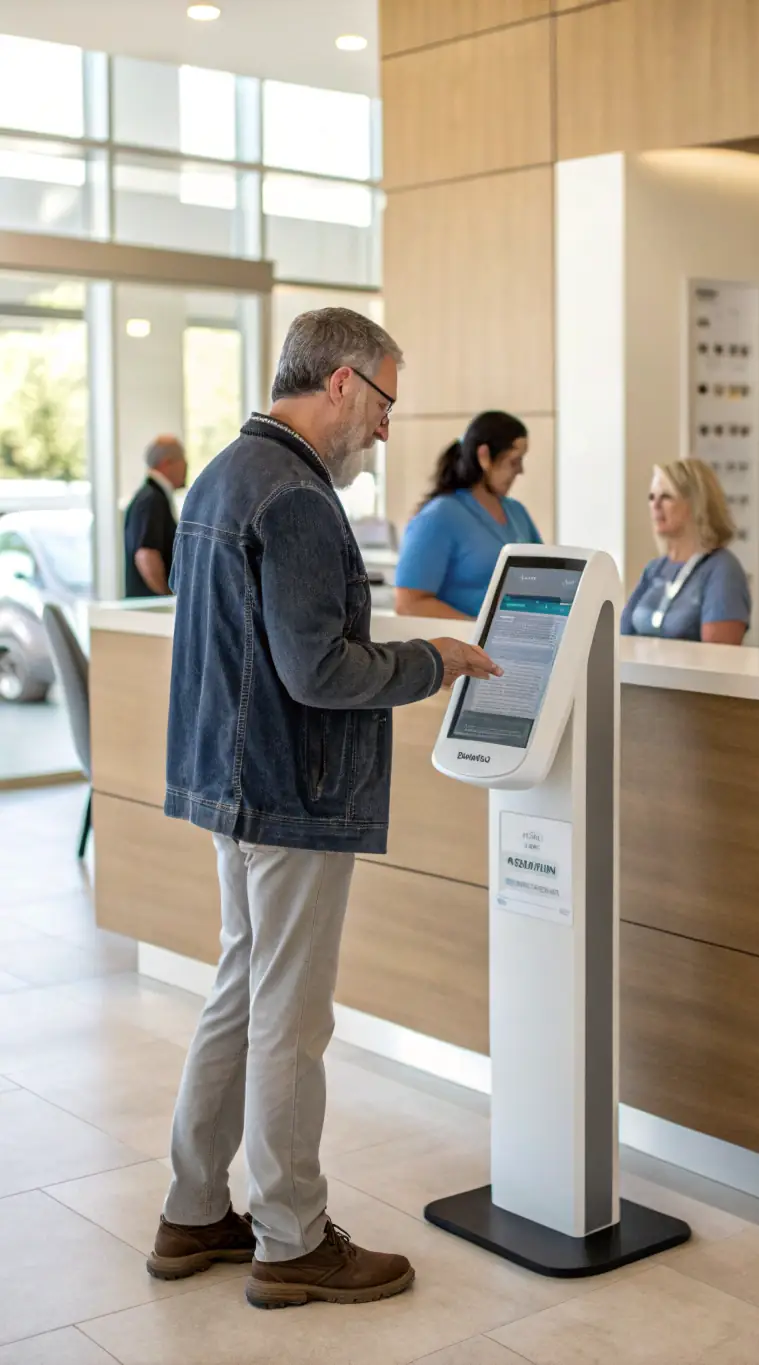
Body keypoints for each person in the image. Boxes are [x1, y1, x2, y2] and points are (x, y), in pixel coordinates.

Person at [147, 308, 499, 1310]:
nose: (388, 429)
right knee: (290, 1021)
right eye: (384, 402)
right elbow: (318, 671)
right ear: (342, 383)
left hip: (232, 783)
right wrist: (431, 662)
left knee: (238, 994)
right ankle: (293, 1237)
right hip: (289, 790)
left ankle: (192, 1209)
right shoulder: (295, 498)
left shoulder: (222, 476)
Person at [394, 410, 541, 618]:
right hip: (467, 645)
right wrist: (478, 632)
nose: (520, 471)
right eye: (513, 461)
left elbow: (545, 575)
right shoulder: (440, 516)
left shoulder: (517, 512)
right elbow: (409, 604)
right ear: (484, 456)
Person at [621, 458, 751, 643]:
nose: (655, 505)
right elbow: (621, 636)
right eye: (651, 497)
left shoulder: (722, 570)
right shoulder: (655, 568)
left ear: (696, 503)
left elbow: (719, 660)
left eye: (666, 497)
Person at [123, 436, 187, 597]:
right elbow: (146, 554)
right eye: (183, 461)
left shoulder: (151, 497)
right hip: (150, 609)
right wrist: (166, 596)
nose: (186, 467)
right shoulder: (152, 499)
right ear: (166, 463)